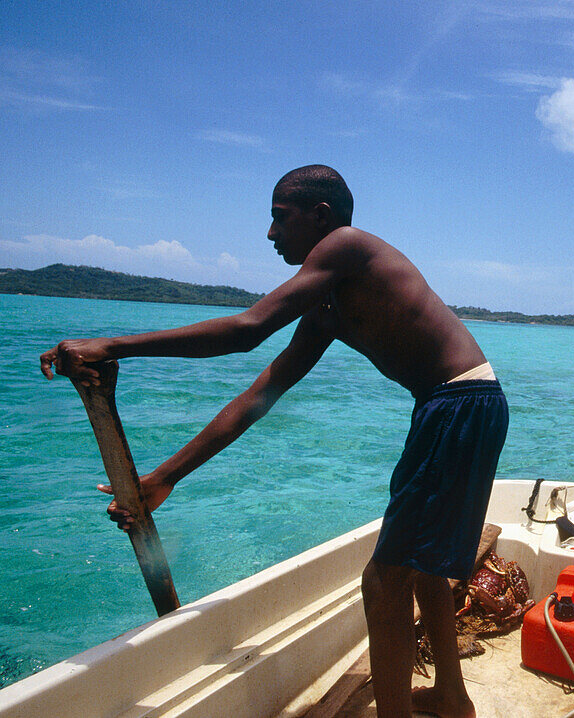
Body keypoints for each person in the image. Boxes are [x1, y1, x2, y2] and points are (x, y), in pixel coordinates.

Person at [40, 165, 507, 718]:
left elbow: (247, 330)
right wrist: (165, 477)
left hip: (458, 405)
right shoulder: (327, 308)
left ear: (321, 217)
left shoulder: (348, 246)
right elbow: (256, 398)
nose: (269, 234)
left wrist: (112, 345)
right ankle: (452, 699)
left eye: (279, 219)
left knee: (384, 582)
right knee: (423, 567)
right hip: (452, 406)